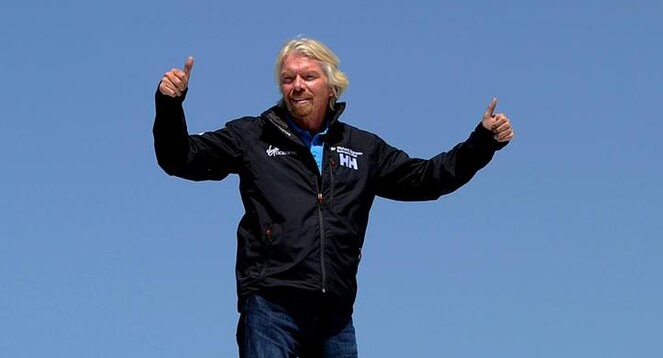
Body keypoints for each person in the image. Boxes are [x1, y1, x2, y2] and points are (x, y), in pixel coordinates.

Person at [153, 37, 514, 358]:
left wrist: (481, 143)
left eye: (308, 77)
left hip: (335, 315)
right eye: (288, 78)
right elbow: (179, 157)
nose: (297, 86)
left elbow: (427, 179)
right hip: (271, 303)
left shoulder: (362, 148)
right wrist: (169, 105)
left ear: (331, 86)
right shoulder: (252, 136)